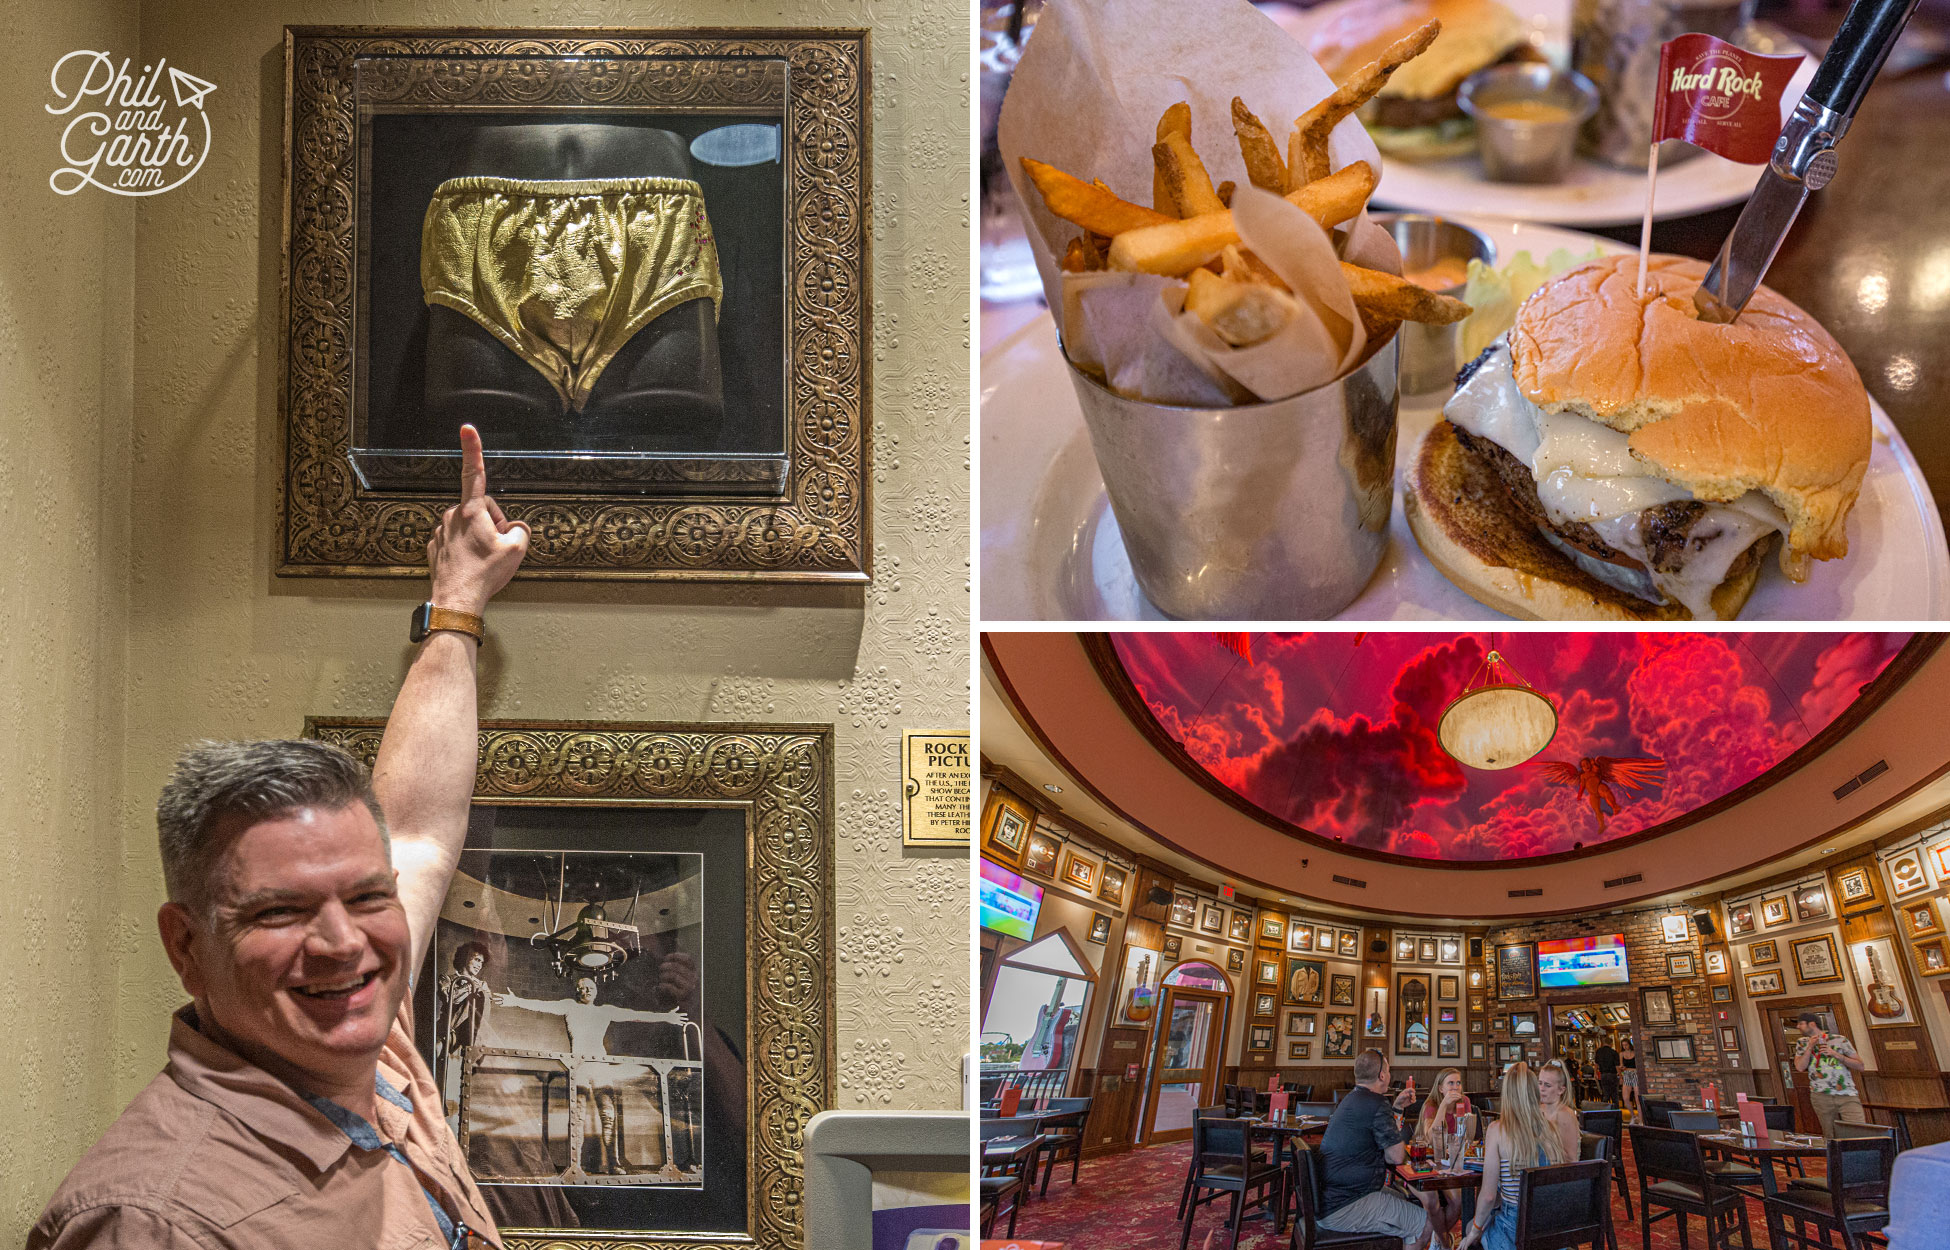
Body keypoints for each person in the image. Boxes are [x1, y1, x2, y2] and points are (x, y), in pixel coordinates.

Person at [28, 426, 529, 1249]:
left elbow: (418, 831)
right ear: (185, 945)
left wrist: (458, 605)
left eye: (368, 896)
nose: (342, 943)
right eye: (280, 913)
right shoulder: (155, 1221)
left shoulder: (366, 1050)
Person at [491, 975, 693, 1176]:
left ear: (596, 991)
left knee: (608, 1116)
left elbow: (635, 1014)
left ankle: (613, 1163)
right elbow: (541, 1005)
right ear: (576, 991)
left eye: (589, 987)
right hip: (579, 1068)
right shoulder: (569, 1006)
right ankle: (575, 1165)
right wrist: (515, 1001)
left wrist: (666, 1017)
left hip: (600, 1067)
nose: (585, 991)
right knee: (577, 1117)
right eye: (581, 987)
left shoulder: (604, 1011)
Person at [1317, 1049, 1431, 1248]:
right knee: (1426, 1223)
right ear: (1382, 1075)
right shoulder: (1376, 1103)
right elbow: (1395, 1157)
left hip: (1331, 1198)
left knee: (1406, 1201)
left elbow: (1383, 1138)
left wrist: (1396, 1108)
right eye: (1388, 1069)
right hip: (1346, 1205)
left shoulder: (1351, 1100)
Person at [1455, 1063, 1575, 1250]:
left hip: (1513, 1229)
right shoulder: (1550, 1129)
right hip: (1551, 1228)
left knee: (1471, 1227)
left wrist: (1474, 1232)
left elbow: (1488, 1196)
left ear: (1507, 1094)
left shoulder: (1497, 1130)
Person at [1410, 1067, 1473, 1247]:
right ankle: (1444, 1242)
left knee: (1460, 1200)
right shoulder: (1432, 1104)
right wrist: (1444, 1106)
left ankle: (1437, 1239)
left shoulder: (1465, 1101)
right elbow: (1430, 1137)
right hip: (1428, 1158)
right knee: (1445, 1201)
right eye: (1450, 1083)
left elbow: (1467, 1135)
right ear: (1441, 1088)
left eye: (1458, 1083)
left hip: (1452, 1160)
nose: (1455, 1087)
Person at [1793, 1010, 1867, 1136]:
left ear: (1812, 1024)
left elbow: (1860, 1065)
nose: (1797, 1026)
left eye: (1801, 1023)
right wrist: (1810, 1047)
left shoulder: (1839, 1040)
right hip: (1820, 1095)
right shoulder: (1802, 1043)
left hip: (1846, 1094)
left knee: (1857, 1132)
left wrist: (1837, 1055)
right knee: (1830, 1134)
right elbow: (1800, 1067)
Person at [1536, 1060, 1582, 1158]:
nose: (1541, 1088)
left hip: (1561, 1170)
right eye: (1540, 1083)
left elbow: (1571, 1158)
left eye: (1547, 1085)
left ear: (1561, 1090)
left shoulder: (1565, 1115)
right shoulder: (1539, 1110)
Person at [1593, 1035, 1621, 1107]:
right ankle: (1616, 1111)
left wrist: (1595, 1073)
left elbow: (1596, 1064)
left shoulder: (1599, 1051)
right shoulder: (1614, 1052)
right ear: (1611, 1044)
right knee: (1614, 1094)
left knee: (1605, 1094)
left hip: (1603, 1075)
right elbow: (1617, 1066)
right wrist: (1620, 1075)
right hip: (1612, 1074)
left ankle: (1604, 1111)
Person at [1619, 1035, 1640, 1119]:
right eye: (1623, 1045)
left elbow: (1638, 1065)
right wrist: (1622, 1070)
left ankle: (1640, 1117)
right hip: (1627, 1074)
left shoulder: (1635, 1053)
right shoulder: (1621, 1054)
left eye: (1626, 1045)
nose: (1625, 1047)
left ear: (1629, 1044)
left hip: (1635, 1073)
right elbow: (1621, 1065)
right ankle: (1633, 1115)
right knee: (1625, 1098)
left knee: (1637, 1098)